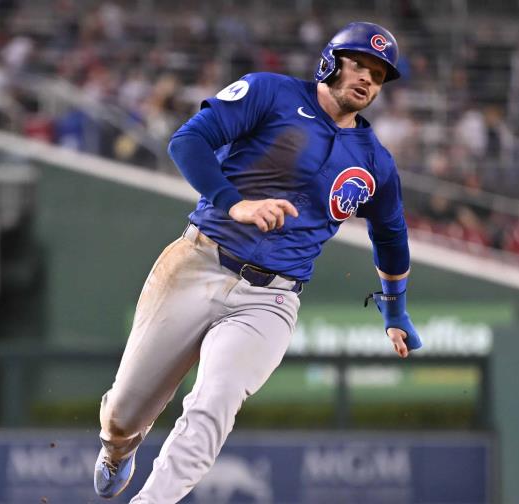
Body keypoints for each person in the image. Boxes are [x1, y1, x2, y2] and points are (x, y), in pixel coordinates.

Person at [94, 22, 423, 502]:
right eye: (360, 64)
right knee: (124, 410)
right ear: (331, 62)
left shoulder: (375, 161)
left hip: (272, 299)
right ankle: (116, 449)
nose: (368, 79)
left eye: (378, 74)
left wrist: (395, 311)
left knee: (214, 404)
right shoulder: (270, 92)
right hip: (199, 261)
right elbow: (187, 142)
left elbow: (391, 235)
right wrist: (234, 202)